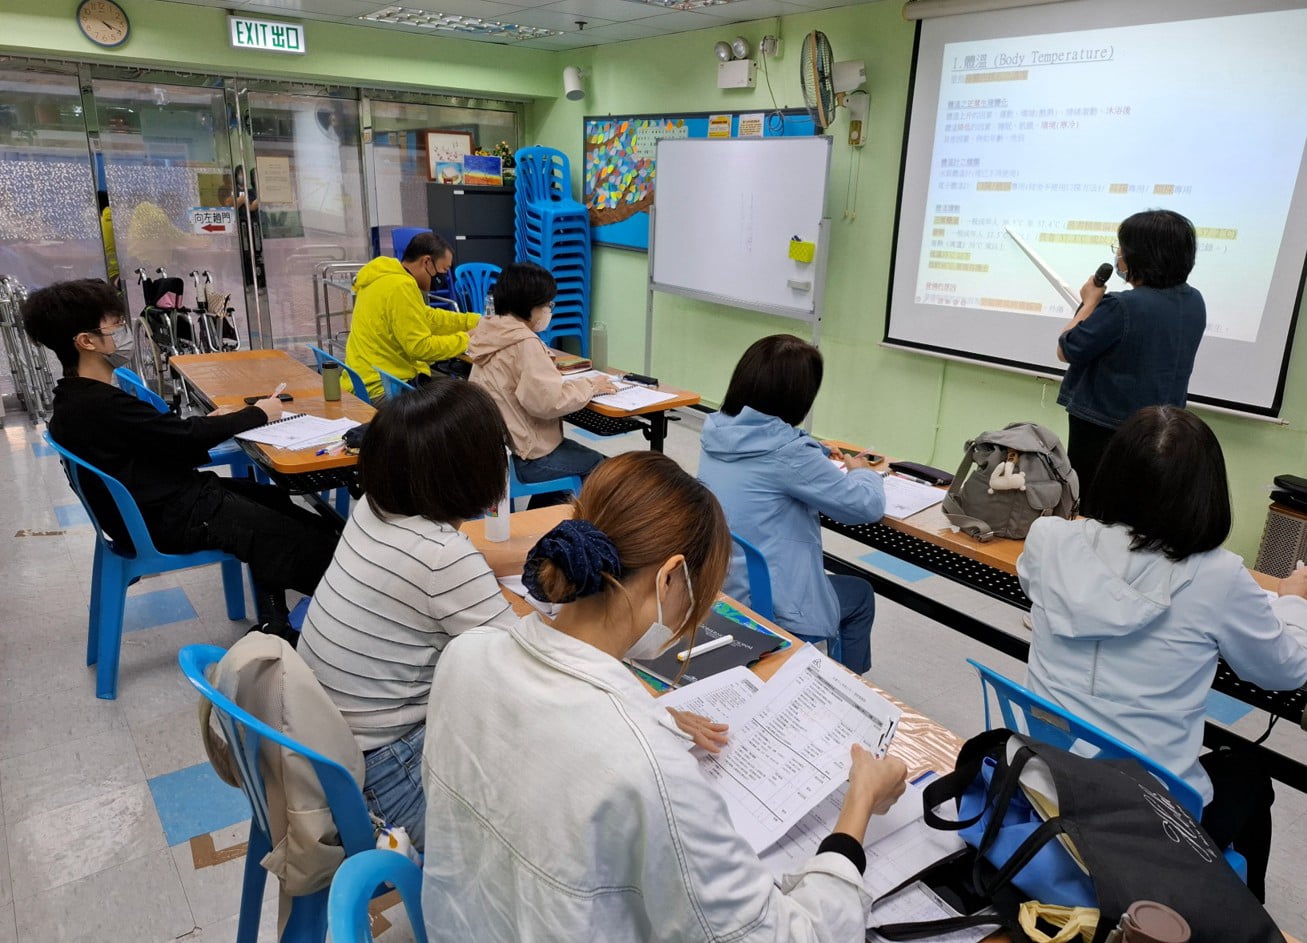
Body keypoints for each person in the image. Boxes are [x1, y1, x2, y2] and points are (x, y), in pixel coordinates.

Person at [420, 451, 909, 940]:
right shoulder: (648, 766)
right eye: (700, 594)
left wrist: (650, 718)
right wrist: (859, 805)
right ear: (671, 576)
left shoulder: (466, 655)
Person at [1018, 405, 1307, 902]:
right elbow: (1286, 669)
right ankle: (1233, 913)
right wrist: (1295, 601)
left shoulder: (1048, 538)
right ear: (1206, 493)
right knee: (1248, 775)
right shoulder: (1218, 575)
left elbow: (1034, 584)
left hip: (1043, 782)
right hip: (1150, 823)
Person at [23, 278, 339, 641]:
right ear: (87, 341)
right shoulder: (100, 404)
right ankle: (342, 609)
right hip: (171, 517)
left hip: (162, 502)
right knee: (305, 543)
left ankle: (275, 620)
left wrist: (205, 425)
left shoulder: (76, 397)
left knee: (274, 499)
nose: (124, 333)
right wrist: (259, 413)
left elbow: (164, 437)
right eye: (115, 326)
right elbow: (184, 438)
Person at [297, 379, 517, 850]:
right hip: (382, 777)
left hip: (325, 751)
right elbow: (526, 667)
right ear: (474, 470)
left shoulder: (371, 509)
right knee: (537, 790)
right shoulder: (441, 556)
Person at [697, 335, 884, 674]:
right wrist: (864, 473)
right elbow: (865, 507)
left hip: (719, 588)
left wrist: (814, 451)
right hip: (773, 607)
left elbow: (772, 454)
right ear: (797, 398)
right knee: (860, 594)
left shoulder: (718, 431)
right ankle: (846, 691)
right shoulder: (790, 454)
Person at [1056, 209, 1205, 502]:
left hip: (1104, 429)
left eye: (1121, 248)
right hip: (1162, 429)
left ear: (1140, 256)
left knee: (1091, 506)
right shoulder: (1194, 300)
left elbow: (1066, 348)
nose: (1118, 255)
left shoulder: (1121, 306)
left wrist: (1089, 302)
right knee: (1135, 506)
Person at [468, 261, 615, 506]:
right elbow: (547, 402)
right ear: (529, 306)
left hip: (496, 454)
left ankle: (541, 516)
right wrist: (590, 386)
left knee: (573, 458)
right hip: (526, 457)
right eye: (547, 304)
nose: (548, 310)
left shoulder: (489, 332)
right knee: (603, 467)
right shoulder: (525, 343)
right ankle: (565, 523)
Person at [345, 232, 479, 402]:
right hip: (383, 388)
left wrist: (473, 321)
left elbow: (426, 316)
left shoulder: (382, 277)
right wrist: (467, 339)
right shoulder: (402, 286)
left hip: (362, 380)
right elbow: (420, 347)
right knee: (465, 402)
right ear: (426, 262)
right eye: (444, 270)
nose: (444, 277)